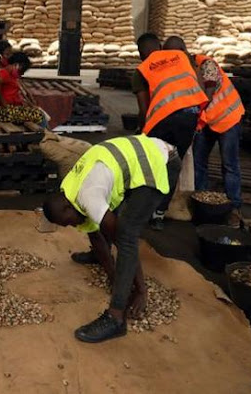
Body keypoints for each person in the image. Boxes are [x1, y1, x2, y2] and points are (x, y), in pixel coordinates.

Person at [42, 134, 180, 343]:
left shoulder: (88, 196)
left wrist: (140, 289)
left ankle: (116, 318)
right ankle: (106, 264)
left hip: (160, 162)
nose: (72, 226)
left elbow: (125, 242)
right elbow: (95, 233)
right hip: (141, 153)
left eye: (68, 222)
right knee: (104, 224)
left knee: (126, 232)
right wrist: (113, 274)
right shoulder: (69, 187)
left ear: (67, 207)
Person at [163, 36, 245, 225]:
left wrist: (192, 124)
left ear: (183, 52)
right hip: (208, 122)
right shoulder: (183, 70)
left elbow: (204, 97)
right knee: (199, 163)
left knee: (229, 164)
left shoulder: (206, 65)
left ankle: (234, 207)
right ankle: (200, 202)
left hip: (228, 118)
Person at [131, 32, 207, 230]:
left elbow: (143, 108)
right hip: (190, 116)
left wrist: (143, 133)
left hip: (163, 119)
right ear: (160, 46)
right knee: (173, 165)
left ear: (141, 53)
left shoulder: (143, 69)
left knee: (152, 163)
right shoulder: (182, 57)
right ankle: (159, 215)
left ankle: (141, 209)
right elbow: (199, 87)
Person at [0, 52, 44, 125]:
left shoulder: (11, 75)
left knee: (37, 112)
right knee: (39, 116)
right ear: (17, 65)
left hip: (4, 110)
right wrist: (4, 104)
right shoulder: (5, 72)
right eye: (22, 70)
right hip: (3, 112)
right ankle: (46, 135)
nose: (22, 73)